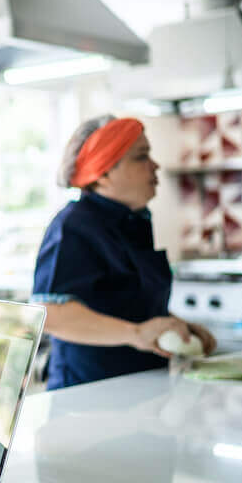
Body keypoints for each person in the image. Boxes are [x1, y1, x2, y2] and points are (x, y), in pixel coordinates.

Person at [31, 115, 217, 390]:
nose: (155, 165)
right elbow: (51, 313)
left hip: (141, 393)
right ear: (103, 172)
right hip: (88, 398)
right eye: (142, 157)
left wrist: (177, 326)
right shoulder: (73, 225)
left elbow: (126, 304)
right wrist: (138, 334)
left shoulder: (134, 222)